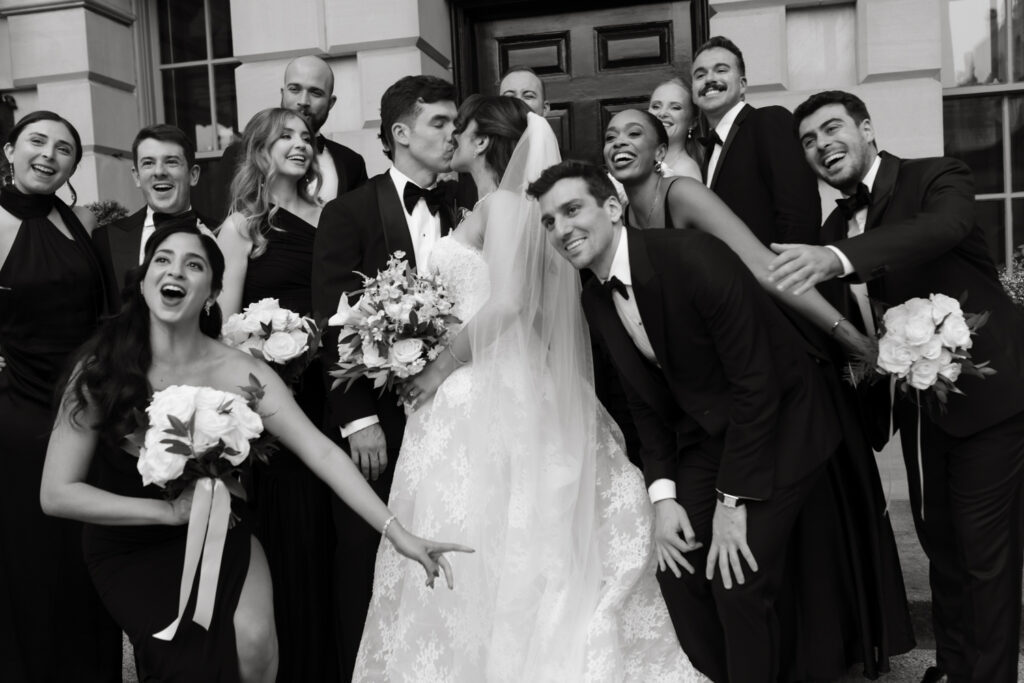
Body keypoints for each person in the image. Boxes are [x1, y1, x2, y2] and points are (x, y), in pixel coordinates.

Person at [354, 94, 703, 681]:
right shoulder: (491, 205)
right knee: (481, 533)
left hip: (483, 386)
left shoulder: (507, 205)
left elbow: (510, 302)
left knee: (500, 535)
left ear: (482, 141)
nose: (449, 139)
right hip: (473, 387)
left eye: (456, 128)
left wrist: (439, 366)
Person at [40, 221, 470, 683]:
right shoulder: (101, 367)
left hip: (223, 532)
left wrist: (398, 533)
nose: (176, 272)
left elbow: (320, 452)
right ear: (144, 281)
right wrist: (168, 513)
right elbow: (57, 494)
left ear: (213, 291)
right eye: (162, 260)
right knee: (178, 663)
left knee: (255, 644)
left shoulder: (238, 370)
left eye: (194, 265)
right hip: (128, 541)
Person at [606, 105, 915, 679]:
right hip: (718, 410)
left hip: (771, 368)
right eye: (610, 135)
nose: (619, 142)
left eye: (635, 135)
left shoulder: (684, 198)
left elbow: (765, 268)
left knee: (789, 533)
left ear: (660, 151)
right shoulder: (619, 228)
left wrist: (850, 337)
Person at [530, 160, 843, 683]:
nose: (561, 230)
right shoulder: (594, 297)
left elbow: (757, 385)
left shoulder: (693, 258)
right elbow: (643, 406)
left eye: (571, 210)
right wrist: (664, 497)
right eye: (548, 221)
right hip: (707, 437)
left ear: (612, 207)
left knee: (736, 577)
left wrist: (732, 501)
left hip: (785, 423)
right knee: (676, 568)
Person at [772, 89, 1024, 683]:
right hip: (921, 408)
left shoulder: (937, 177)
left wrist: (837, 258)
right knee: (943, 546)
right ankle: (956, 666)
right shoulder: (831, 225)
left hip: (989, 401)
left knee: (984, 556)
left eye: (832, 129)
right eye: (808, 141)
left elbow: (944, 229)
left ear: (866, 129)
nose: (821, 145)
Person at [312, 74, 459, 680]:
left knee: (451, 539)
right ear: (400, 134)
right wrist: (359, 421)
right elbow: (333, 318)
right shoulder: (348, 211)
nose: (455, 135)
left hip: (459, 409)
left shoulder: (469, 201)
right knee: (366, 556)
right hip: (382, 416)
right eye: (441, 123)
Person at [215, 107, 337, 680]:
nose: (300, 144)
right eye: (285, 136)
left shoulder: (332, 217)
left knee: (331, 539)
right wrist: (264, 350)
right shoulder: (242, 227)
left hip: (333, 396)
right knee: (289, 538)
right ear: (260, 150)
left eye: (306, 137)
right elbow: (224, 325)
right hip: (272, 406)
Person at [0, 110, 122, 682]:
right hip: (17, 412)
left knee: (82, 556)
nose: (49, 155)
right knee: (31, 558)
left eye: (64, 149)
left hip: (81, 405)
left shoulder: (74, 220)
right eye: (37, 142)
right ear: (10, 150)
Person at [691, 36, 820, 246]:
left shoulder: (770, 120)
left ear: (742, 85)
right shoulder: (707, 151)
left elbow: (800, 210)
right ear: (694, 92)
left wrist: (789, 273)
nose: (709, 79)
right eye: (700, 74)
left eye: (721, 70)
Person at [217, 55, 367, 216]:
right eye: (295, 89)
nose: (303, 101)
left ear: (331, 103)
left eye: (315, 92)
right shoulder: (238, 154)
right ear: (283, 93)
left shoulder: (351, 163)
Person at [92, 124, 210, 303]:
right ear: (137, 177)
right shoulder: (105, 239)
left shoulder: (222, 234)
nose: (159, 172)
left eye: (171, 161)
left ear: (193, 175)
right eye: (148, 163)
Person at [648, 76, 702, 180]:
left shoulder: (686, 172)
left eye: (675, 107)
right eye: (656, 106)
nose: (662, 113)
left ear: (692, 122)